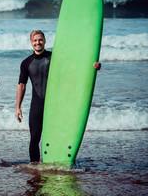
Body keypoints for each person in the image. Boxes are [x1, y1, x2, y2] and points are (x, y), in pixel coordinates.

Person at [15, 30, 101, 163]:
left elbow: (74, 68)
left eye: (40, 40)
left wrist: (93, 67)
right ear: (31, 42)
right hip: (37, 104)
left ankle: (57, 163)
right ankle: (35, 167)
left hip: (55, 104)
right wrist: (18, 107)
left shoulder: (55, 58)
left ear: (44, 40)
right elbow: (21, 85)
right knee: (34, 139)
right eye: (35, 40)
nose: (38, 42)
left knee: (57, 138)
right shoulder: (26, 63)